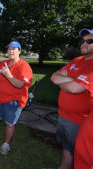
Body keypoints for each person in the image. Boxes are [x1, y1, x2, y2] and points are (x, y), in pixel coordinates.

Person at [0, 41, 33, 155]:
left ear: (19, 51)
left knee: (9, 124)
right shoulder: (4, 63)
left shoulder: (24, 66)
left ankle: (6, 144)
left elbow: (20, 84)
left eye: (14, 49)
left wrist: (9, 75)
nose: (10, 51)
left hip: (14, 101)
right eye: (9, 49)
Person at [50, 28, 93, 169]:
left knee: (80, 153)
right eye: (82, 40)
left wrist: (66, 82)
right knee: (67, 148)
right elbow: (54, 77)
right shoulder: (76, 60)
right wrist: (73, 79)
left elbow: (73, 89)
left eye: (90, 41)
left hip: (79, 121)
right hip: (63, 115)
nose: (84, 44)